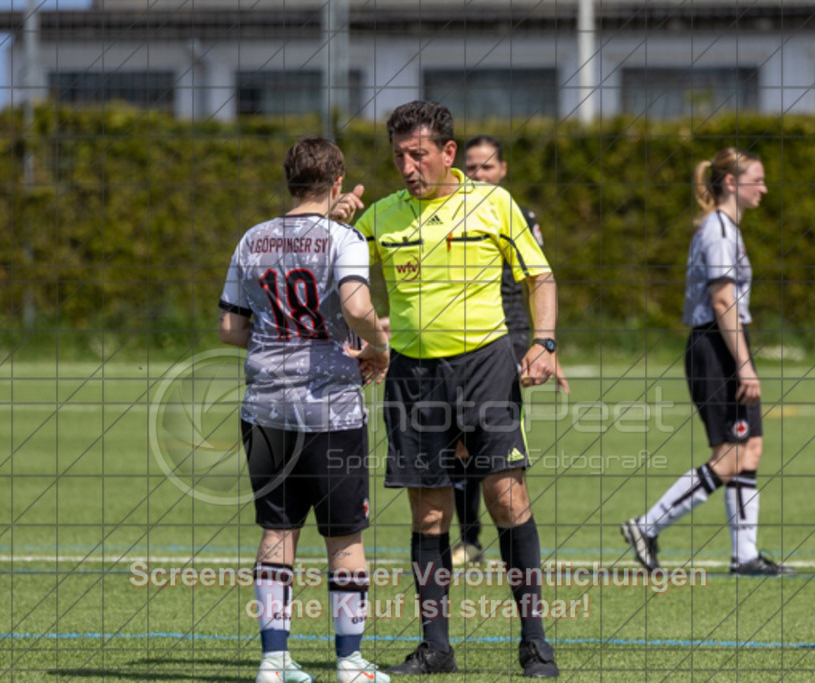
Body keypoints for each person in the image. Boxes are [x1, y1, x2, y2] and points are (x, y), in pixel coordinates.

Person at [353, 101, 561, 678]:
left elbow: (539, 275)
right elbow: (334, 270)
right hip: (413, 375)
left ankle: (535, 644)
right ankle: (436, 648)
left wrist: (543, 341)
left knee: (506, 500)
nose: (407, 166)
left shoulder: (494, 204)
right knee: (429, 517)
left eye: (418, 154)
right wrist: (335, 217)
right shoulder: (380, 216)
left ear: (448, 153)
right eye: (398, 156)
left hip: (487, 365)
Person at [218, 136, 392, 683]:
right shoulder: (345, 237)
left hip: (265, 407)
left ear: (289, 180)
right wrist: (377, 347)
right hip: (330, 410)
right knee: (344, 538)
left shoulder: (253, 238)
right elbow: (358, 307)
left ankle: (274, 658)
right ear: (337, 183)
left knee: (277, 530)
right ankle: (350, 661)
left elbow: (229, 328)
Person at [621, 147, 796, 577]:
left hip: (725, 343)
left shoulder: (724, 227)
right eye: (757, 179)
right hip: (716, 346)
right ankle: (647, 525)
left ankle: (745, 556)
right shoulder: (718, 230)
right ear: (732, 183)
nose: (765, 188)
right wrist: (745, 365)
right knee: (731, 456)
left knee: (748, 449)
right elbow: (722, 301)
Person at [450, 135, 570, 568]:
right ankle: (471, 539)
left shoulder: (514, 213)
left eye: (487, 167)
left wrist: (544, 345)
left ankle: (502, 538)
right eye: (472, 167)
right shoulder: (450, 211)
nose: (478, 175)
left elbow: (537, 280)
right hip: (461, 338)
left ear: (503, 171)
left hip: (508, 335)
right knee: (462, 443)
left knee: (489, 444)